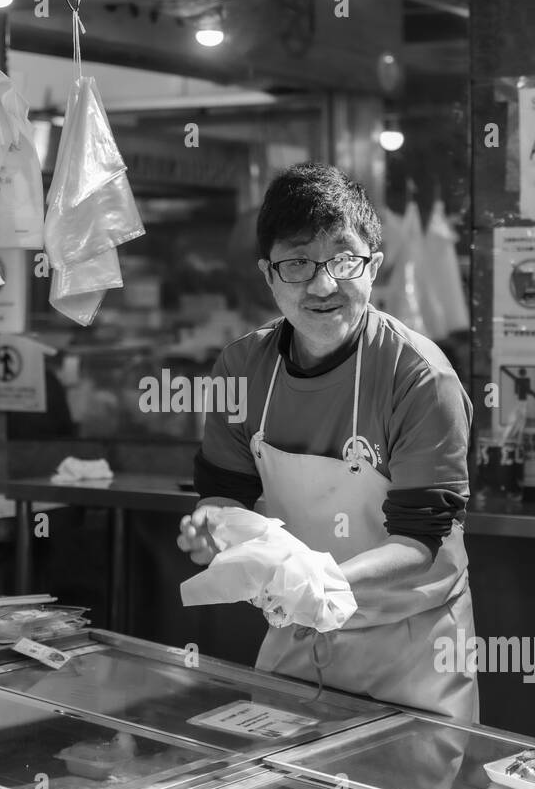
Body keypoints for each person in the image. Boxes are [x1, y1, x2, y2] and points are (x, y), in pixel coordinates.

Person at [177, 162, 477, 720]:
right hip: (294, 637)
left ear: (374, 267)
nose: (322, 285)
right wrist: (212, 526)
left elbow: (419, 541)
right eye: (297, 262)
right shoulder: (240, 368)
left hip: (411, 650)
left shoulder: (419, 378)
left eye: (342, 259)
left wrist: (315, 580)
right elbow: (226, 495)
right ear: (269, 274)